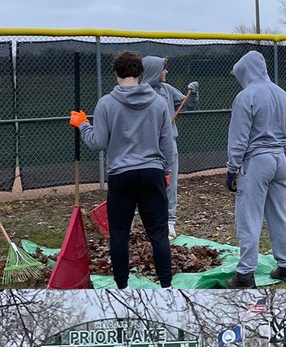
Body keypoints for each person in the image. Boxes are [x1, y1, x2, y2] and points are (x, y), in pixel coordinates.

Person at [73, 50, 174, 290]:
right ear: (140, 73)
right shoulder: (158, 102)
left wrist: (83, 125)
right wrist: (167, 171)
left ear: (115, 72)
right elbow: (167, 142)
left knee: (119, 234)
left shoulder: (106, 103)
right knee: (158, 233)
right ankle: (167, 286)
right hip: (152, 173)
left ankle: (122, 287)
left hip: (121, 175)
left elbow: (98, 142)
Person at [225, 51, 286, 289]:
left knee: (249, 216)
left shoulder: (246, 96)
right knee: (281, 214)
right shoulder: (284, 95)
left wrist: (232, 168)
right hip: (279, 160)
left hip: (256, 161)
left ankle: (245, 274)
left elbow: (239, 137)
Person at [141, 56, 197, 237]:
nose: (166, 71)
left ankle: (169, 221)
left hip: (169, 143)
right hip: (146, 145)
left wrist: (193, 93)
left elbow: (187, 104)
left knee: (170, 183)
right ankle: (146, 220)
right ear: (153, 71)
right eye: (163, 69)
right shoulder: (139, 92)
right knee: (146, 184)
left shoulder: (168, 90)